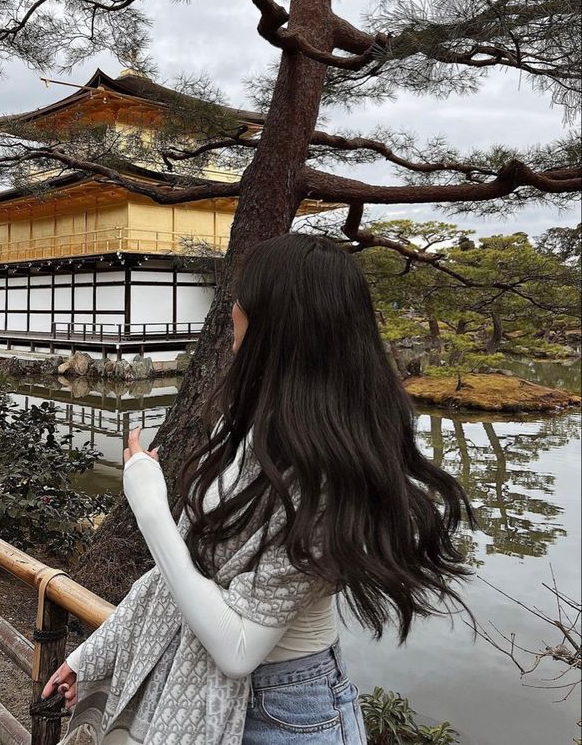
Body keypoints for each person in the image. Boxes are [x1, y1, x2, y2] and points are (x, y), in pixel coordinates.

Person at [43, 233, 474, 744]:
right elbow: (178, 572)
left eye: (241, 303)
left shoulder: (330, 471)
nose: (231, 315)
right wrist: (92, 653)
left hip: (287, 713)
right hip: (201, 684)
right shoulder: (249, 425)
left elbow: (240, 648)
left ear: (277, 323)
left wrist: (150, 508)